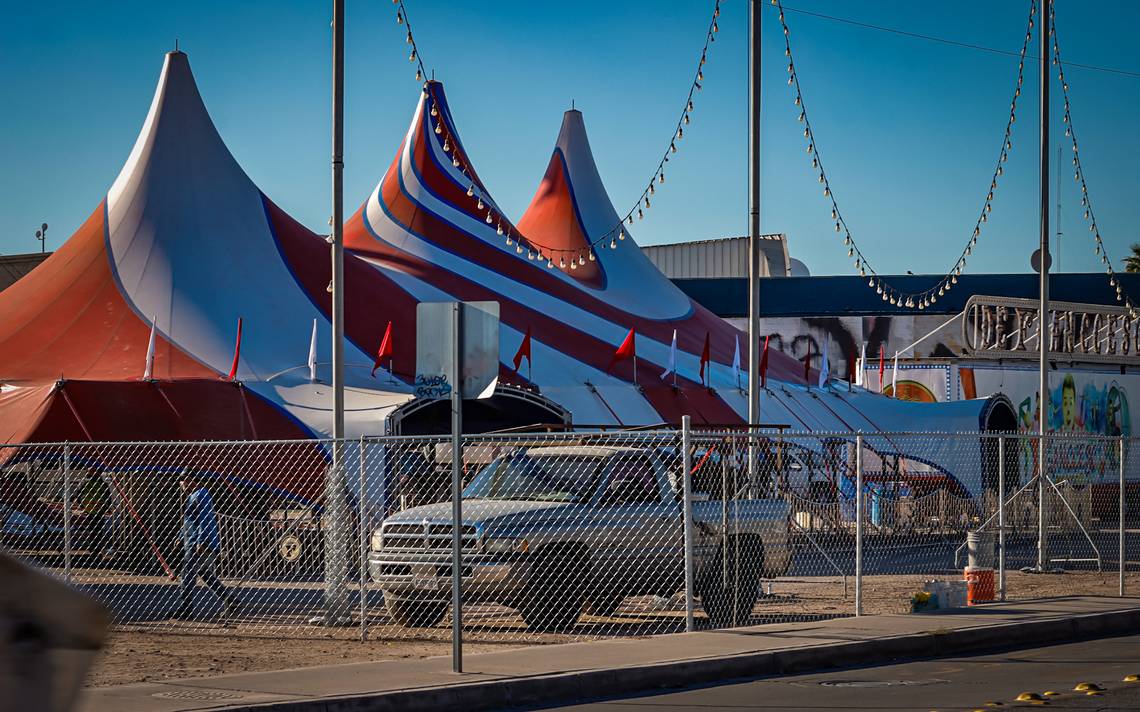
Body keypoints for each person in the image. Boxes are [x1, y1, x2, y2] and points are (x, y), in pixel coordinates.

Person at [168, 473, 239, 619]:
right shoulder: (193, 496)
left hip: (197, 543)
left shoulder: (201, 495)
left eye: (182, 481)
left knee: (187, 575)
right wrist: (181, 536)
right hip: (193, 540)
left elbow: (205, 518)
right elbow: (189, 521)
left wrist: (201, 540)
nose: (181, 484)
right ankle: (230, 600)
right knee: (205, 574)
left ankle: (185, 609)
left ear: (190, 481)